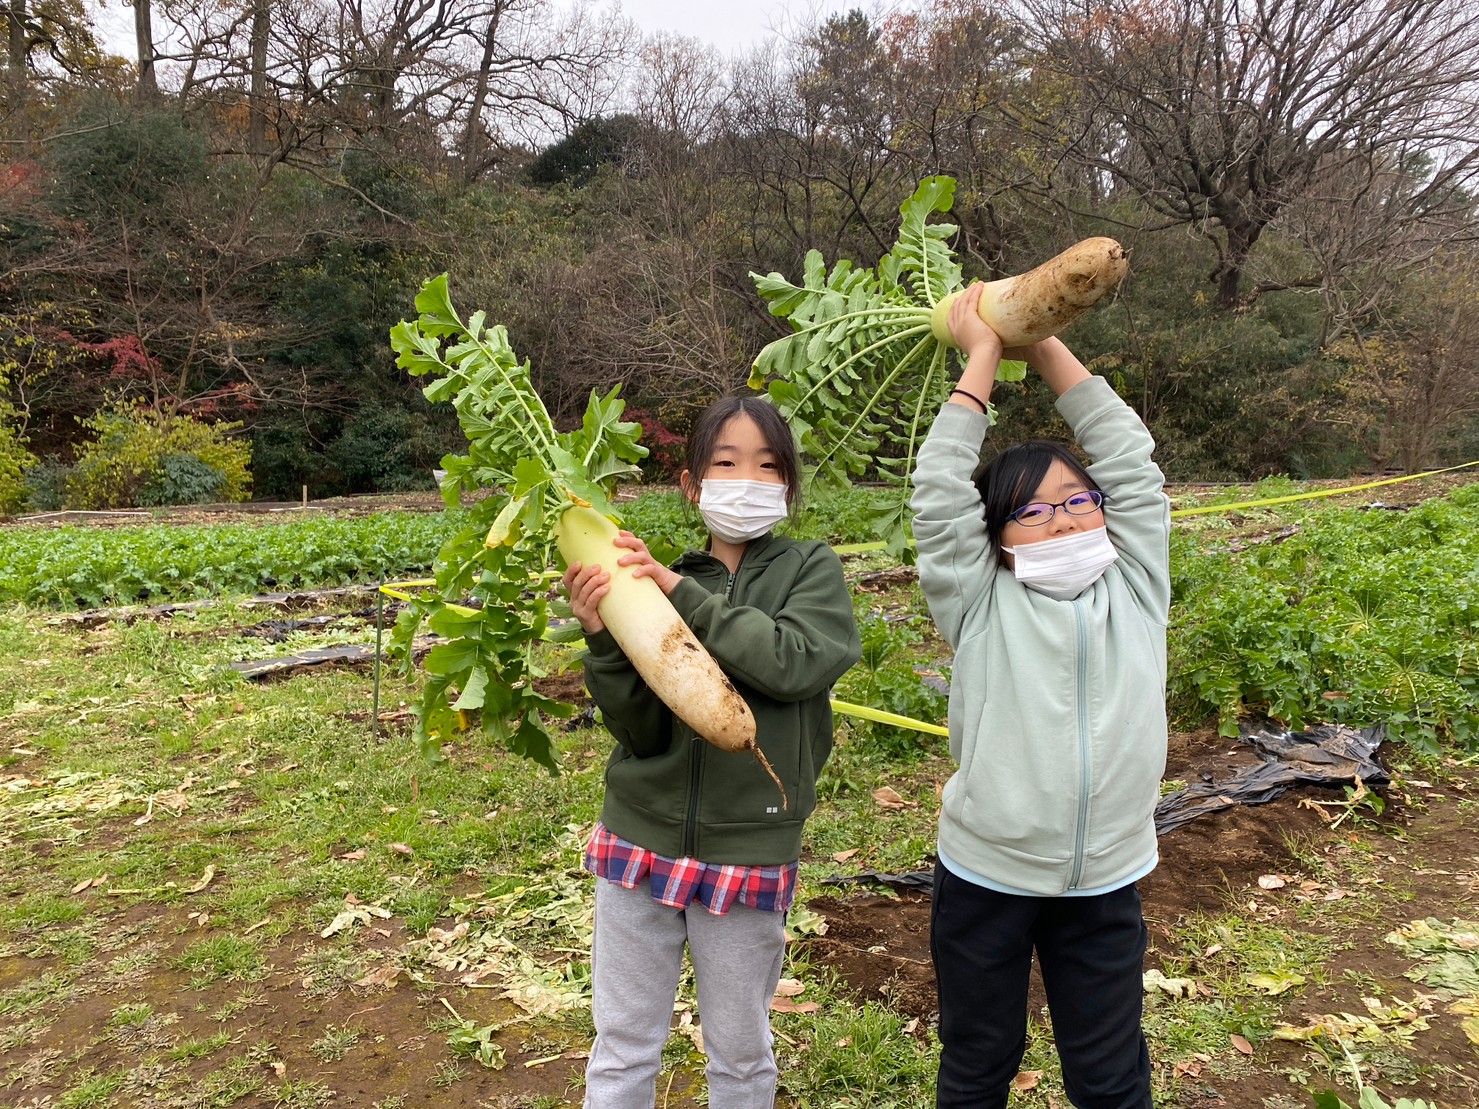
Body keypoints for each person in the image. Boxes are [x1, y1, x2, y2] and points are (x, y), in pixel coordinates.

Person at [910, 283, 1171, 1109]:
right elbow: (937, 491)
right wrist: (982, 351)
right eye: (1031, 511)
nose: (1061, 521)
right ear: (993, 538)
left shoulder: (1135, 586)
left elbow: (1130, 460)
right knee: (979, 1059)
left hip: (1104, 881)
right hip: (986, 875)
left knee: (1108, 1071)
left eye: (1075, 501)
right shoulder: (979, 600)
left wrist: (1039, 337)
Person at [562, 395, 862, 1109]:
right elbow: (639, 730)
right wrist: (604, 638)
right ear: (692, 484)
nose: (746, 479)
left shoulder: (808, 570)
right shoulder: (656, 581)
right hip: (639, 841)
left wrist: (678, 594)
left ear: (789, 485)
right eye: (725, 463)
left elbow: (792, 662)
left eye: (767, 465)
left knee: (738, 1050)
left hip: (748, 843)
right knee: (624, 1043)